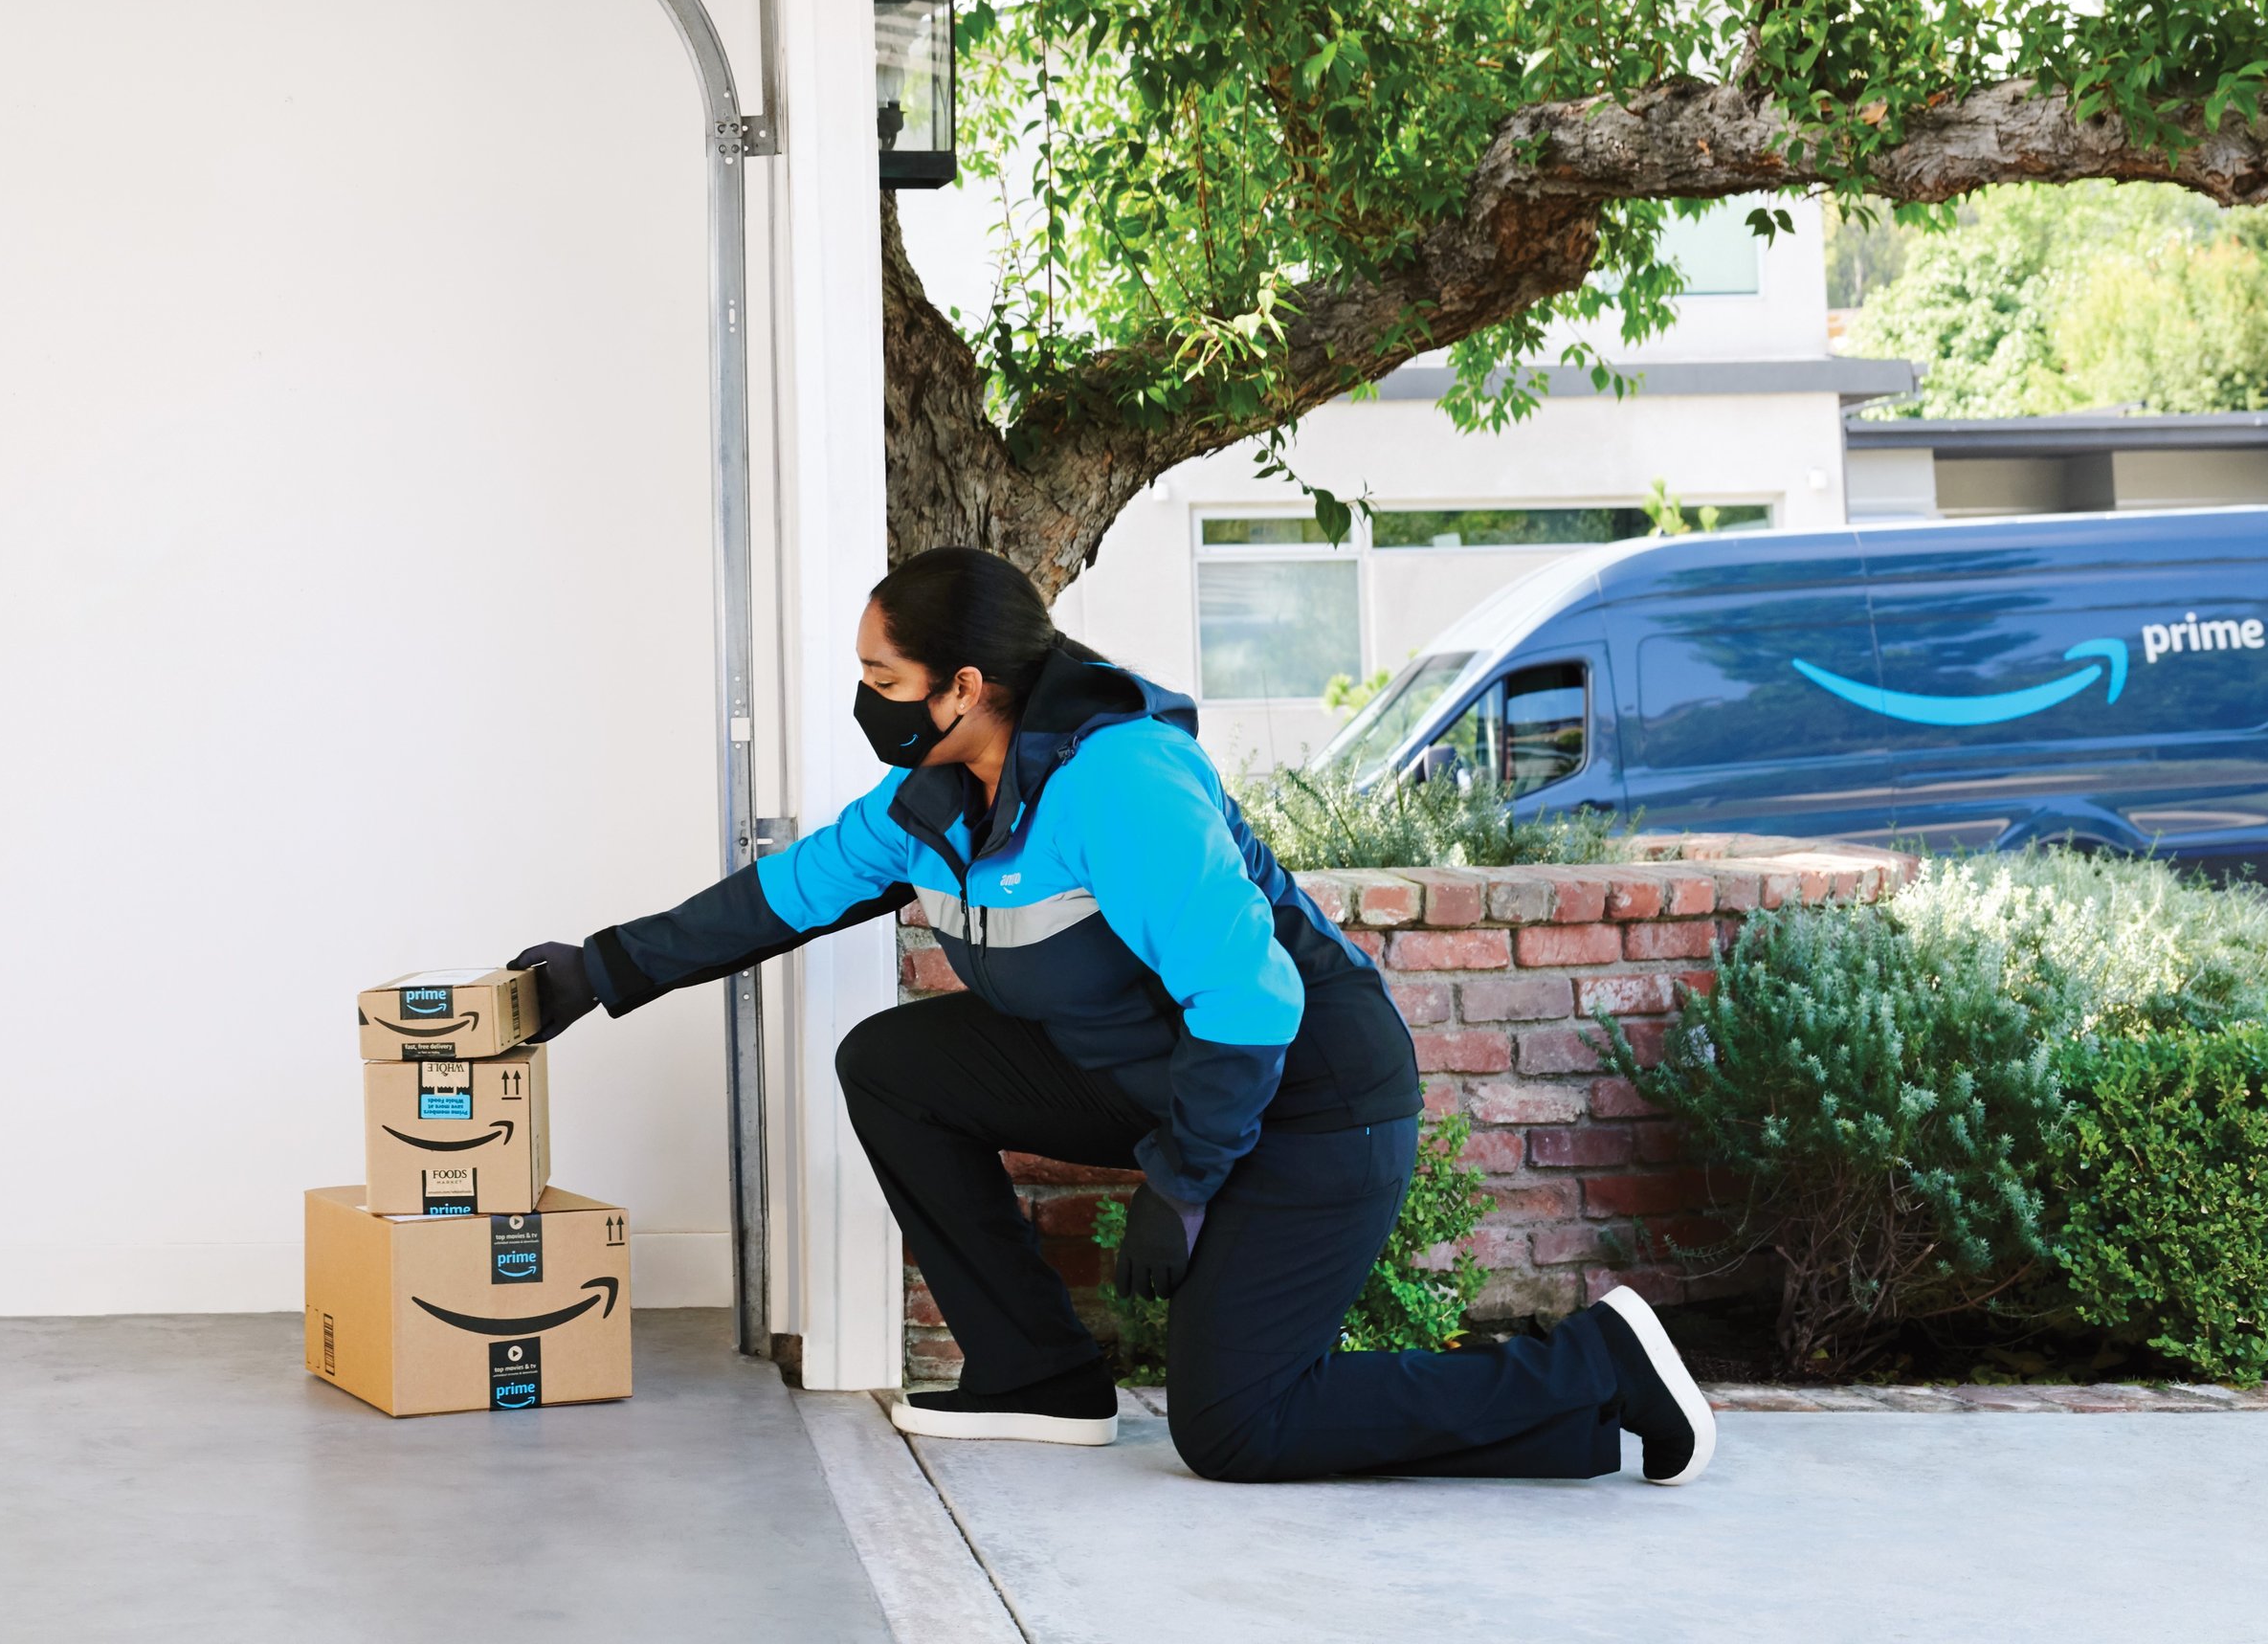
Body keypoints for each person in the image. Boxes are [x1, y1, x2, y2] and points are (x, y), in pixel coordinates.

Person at [508, 545, 1716, 1484]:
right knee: (893, 1060)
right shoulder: (929, 797)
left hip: (1308, 1100)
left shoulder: (1121, 783)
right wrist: (599, 972)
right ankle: (1037, 1374)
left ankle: (1594, 1368)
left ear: (964, 686)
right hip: (1160, 1080)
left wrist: (1182, 1184)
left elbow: (1254, 1000)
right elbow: (784, 896)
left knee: (1238, 1427)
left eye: (883, 678)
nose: (865, 700)